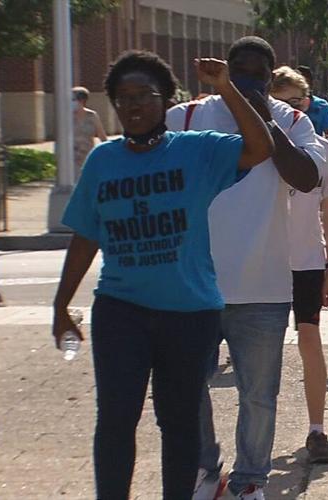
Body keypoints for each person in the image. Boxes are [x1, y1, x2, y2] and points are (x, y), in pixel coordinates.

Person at [51, 50, 274, 499]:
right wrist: (60, 306)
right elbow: (85, 237)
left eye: (143, 96)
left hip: (188, 311)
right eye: (122, 98)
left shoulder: (198, 149)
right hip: (121, 309)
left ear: (165, 100)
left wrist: (225, 87)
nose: (133, 106)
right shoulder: (103, 161)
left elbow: (260, 147)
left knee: (178, 421)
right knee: (115, 418)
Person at [165, 36, 323, 500]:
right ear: (224, 69)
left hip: (263, 285)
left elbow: (307, 177)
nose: (247, 78)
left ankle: (251, 479)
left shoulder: (291, 119)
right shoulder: (187, 117)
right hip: (193, 283)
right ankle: (205, 470)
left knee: (258, 394)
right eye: (239, 70)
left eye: (258, 73)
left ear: (271, 77)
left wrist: (263, 117)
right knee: (188, 385)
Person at [71, 86, 108, 181]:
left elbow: (102, 136)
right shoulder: (66, 117)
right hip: (71, 158)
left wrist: (107, 153)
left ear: (82, 100)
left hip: (88, 156)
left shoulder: (92, 116)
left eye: (73, 99)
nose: (71, 102)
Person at [293, 65, 328, 136]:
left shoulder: (322, 105)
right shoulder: (287, 105)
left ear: (311, 83)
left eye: (306, 82)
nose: (304, 86)